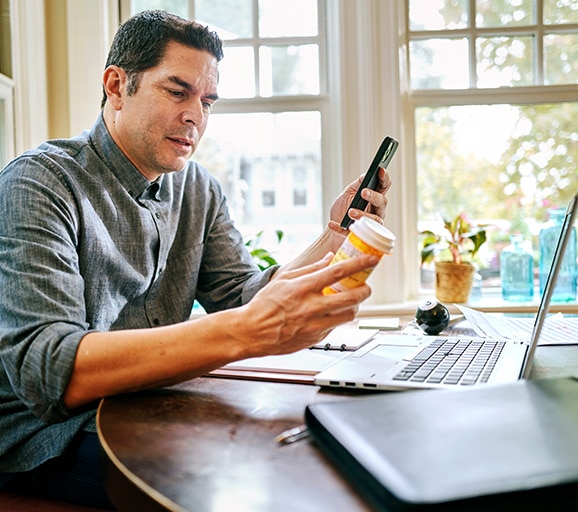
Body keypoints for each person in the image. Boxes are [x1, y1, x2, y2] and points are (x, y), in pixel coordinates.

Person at [0, 10, 392, 509]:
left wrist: (337, 235)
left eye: (207, 101)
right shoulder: (38, 183)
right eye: (177, 91)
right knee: (246, 477)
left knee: (315, 448)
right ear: (117, 86)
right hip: (45, 437)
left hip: (147, 404)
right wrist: (247, 330)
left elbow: (245, 297)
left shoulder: (198, 188)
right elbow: (49, 370)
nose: (196, 117)